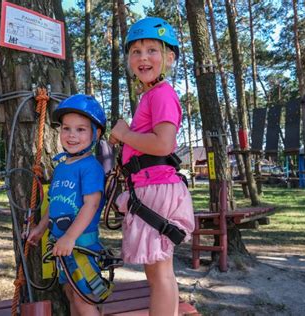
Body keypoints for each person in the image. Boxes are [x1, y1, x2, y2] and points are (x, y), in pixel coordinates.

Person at [109, 17, 195, 316]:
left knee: (159, 274)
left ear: (169, 57)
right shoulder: (152, 95)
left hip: (156, 188)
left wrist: (124, 134)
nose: (143, 57)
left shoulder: (161, 94)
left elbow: (163, 145)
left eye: (151, 50)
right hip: (151, 186)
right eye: (136, 51)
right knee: (159, 273)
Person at [27, 94, 107, 316]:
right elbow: (54, 204)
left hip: (81, 246)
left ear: (96, 133)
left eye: (81, 129)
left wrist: (70, 237)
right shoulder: (61, 167)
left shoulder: (90, 167)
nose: (72, 135)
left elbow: (91, 205)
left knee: (84, 299)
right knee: (71, 295)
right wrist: (41, 228)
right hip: (63, 248)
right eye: (66, 128)